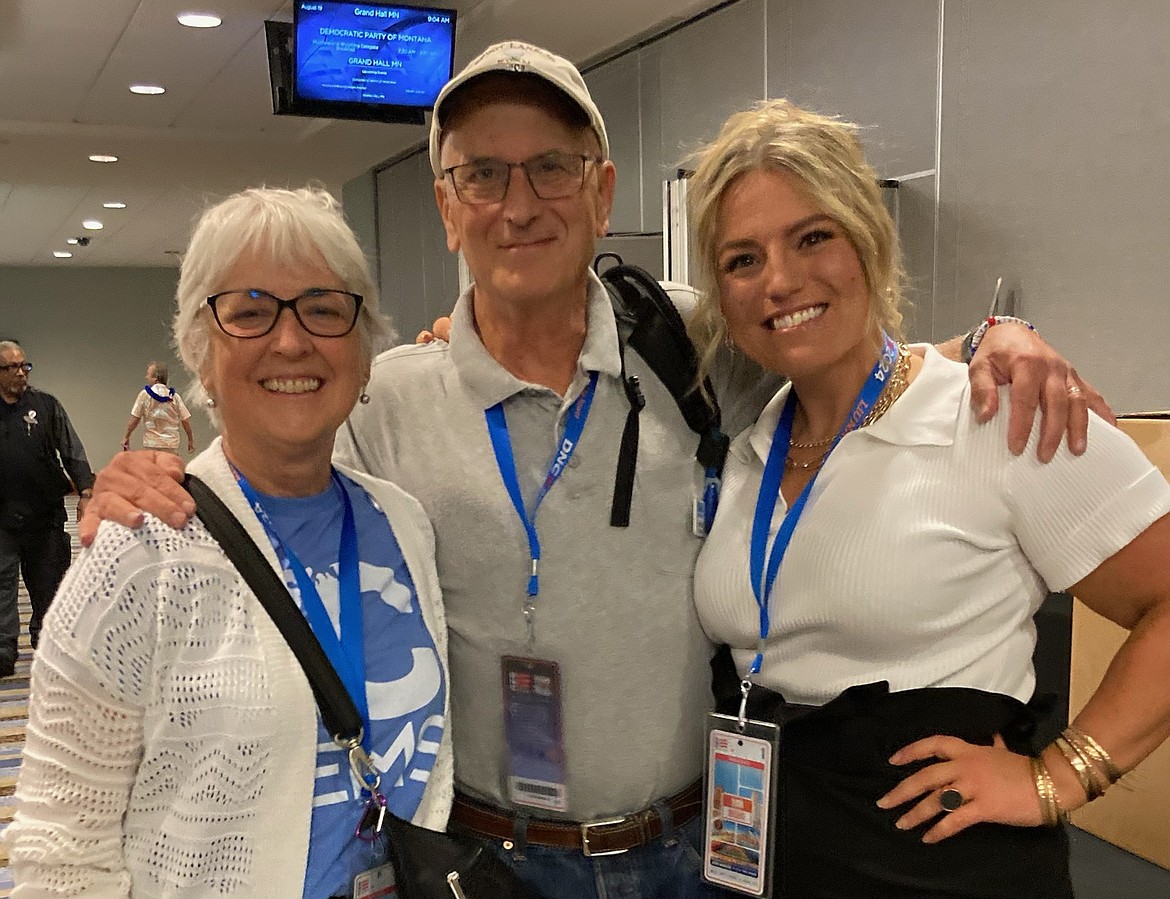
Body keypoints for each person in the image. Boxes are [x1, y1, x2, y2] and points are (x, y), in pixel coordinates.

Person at [79, 42, 1106, 899]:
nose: (517, 203)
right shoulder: (385, 399)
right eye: (483, 173)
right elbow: (272, 471)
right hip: (497, 861)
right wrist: (153, 481)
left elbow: (838, 342)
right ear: (447, 205)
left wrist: (993, 337)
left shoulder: (700, 343)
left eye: (551, 168)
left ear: (602, 187)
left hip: (707, 844)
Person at [687, 98, 1170, 898]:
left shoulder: (993, 413)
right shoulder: (748, 443)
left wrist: (1058, 776)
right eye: (742, 259)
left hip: (944, 864)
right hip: (779, 856)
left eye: (813, 237)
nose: (779, 279)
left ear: (869, 242)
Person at [5, 187, 453, 898]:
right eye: (248, 311)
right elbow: (59, 850)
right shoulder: (137, 556)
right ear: (199, 354)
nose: (290, 339)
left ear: (365, 350)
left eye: (324, 308)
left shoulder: (404, 524)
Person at [0, 339, 94, 671]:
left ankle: (47, 642)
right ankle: (3, 651)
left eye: (24, 365)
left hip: (45, 516)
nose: (21, 373)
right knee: (2, 587)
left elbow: (72, 449)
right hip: (3, 520)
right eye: (12, 367)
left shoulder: (45, 405)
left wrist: (85, 490)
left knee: (49, 586)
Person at [122, 360, 196, 454]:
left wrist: (126, 436)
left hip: (151, 443)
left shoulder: (144, 395)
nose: (146, 377)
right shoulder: (174, 397)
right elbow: (185, 420)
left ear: (156, 378)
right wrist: (190, 440)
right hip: (171, 444)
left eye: (148, 374)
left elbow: (135, 419)